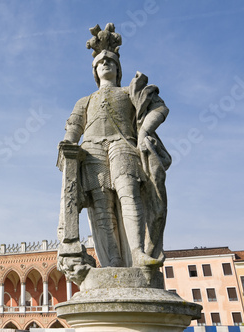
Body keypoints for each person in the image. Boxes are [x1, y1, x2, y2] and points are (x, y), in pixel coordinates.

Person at [58, 23, 171, 272]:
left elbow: (158, 108)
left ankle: (138, 253)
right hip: (91, 151)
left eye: (110, 61)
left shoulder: (129, 93)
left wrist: (144, 131)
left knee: (129, 194)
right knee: (102, 206)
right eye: (100, 62)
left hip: (124, 144)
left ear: (118, 69)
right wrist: (68, 146)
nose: (105, 64)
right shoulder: (85, 100)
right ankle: (113, 263)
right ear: (95, 71)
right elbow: (73, 130)